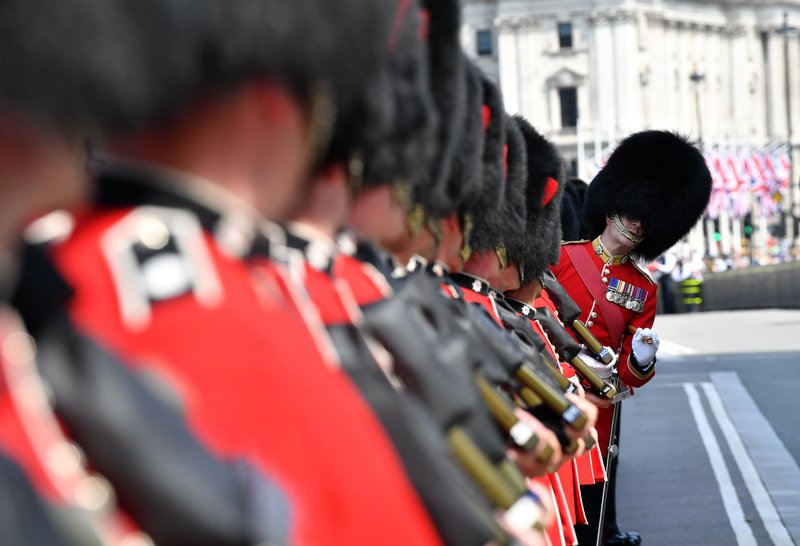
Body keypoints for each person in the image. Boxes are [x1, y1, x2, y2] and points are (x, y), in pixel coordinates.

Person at [550, 130, 712, 546]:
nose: (638, 223)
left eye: (646, 219)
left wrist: (639, 361)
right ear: (611, 210)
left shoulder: (643, 288)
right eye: (633, 213)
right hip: (549, 389)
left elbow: (626, 373)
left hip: (598, 410)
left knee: (589, 510)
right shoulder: (563, 256)